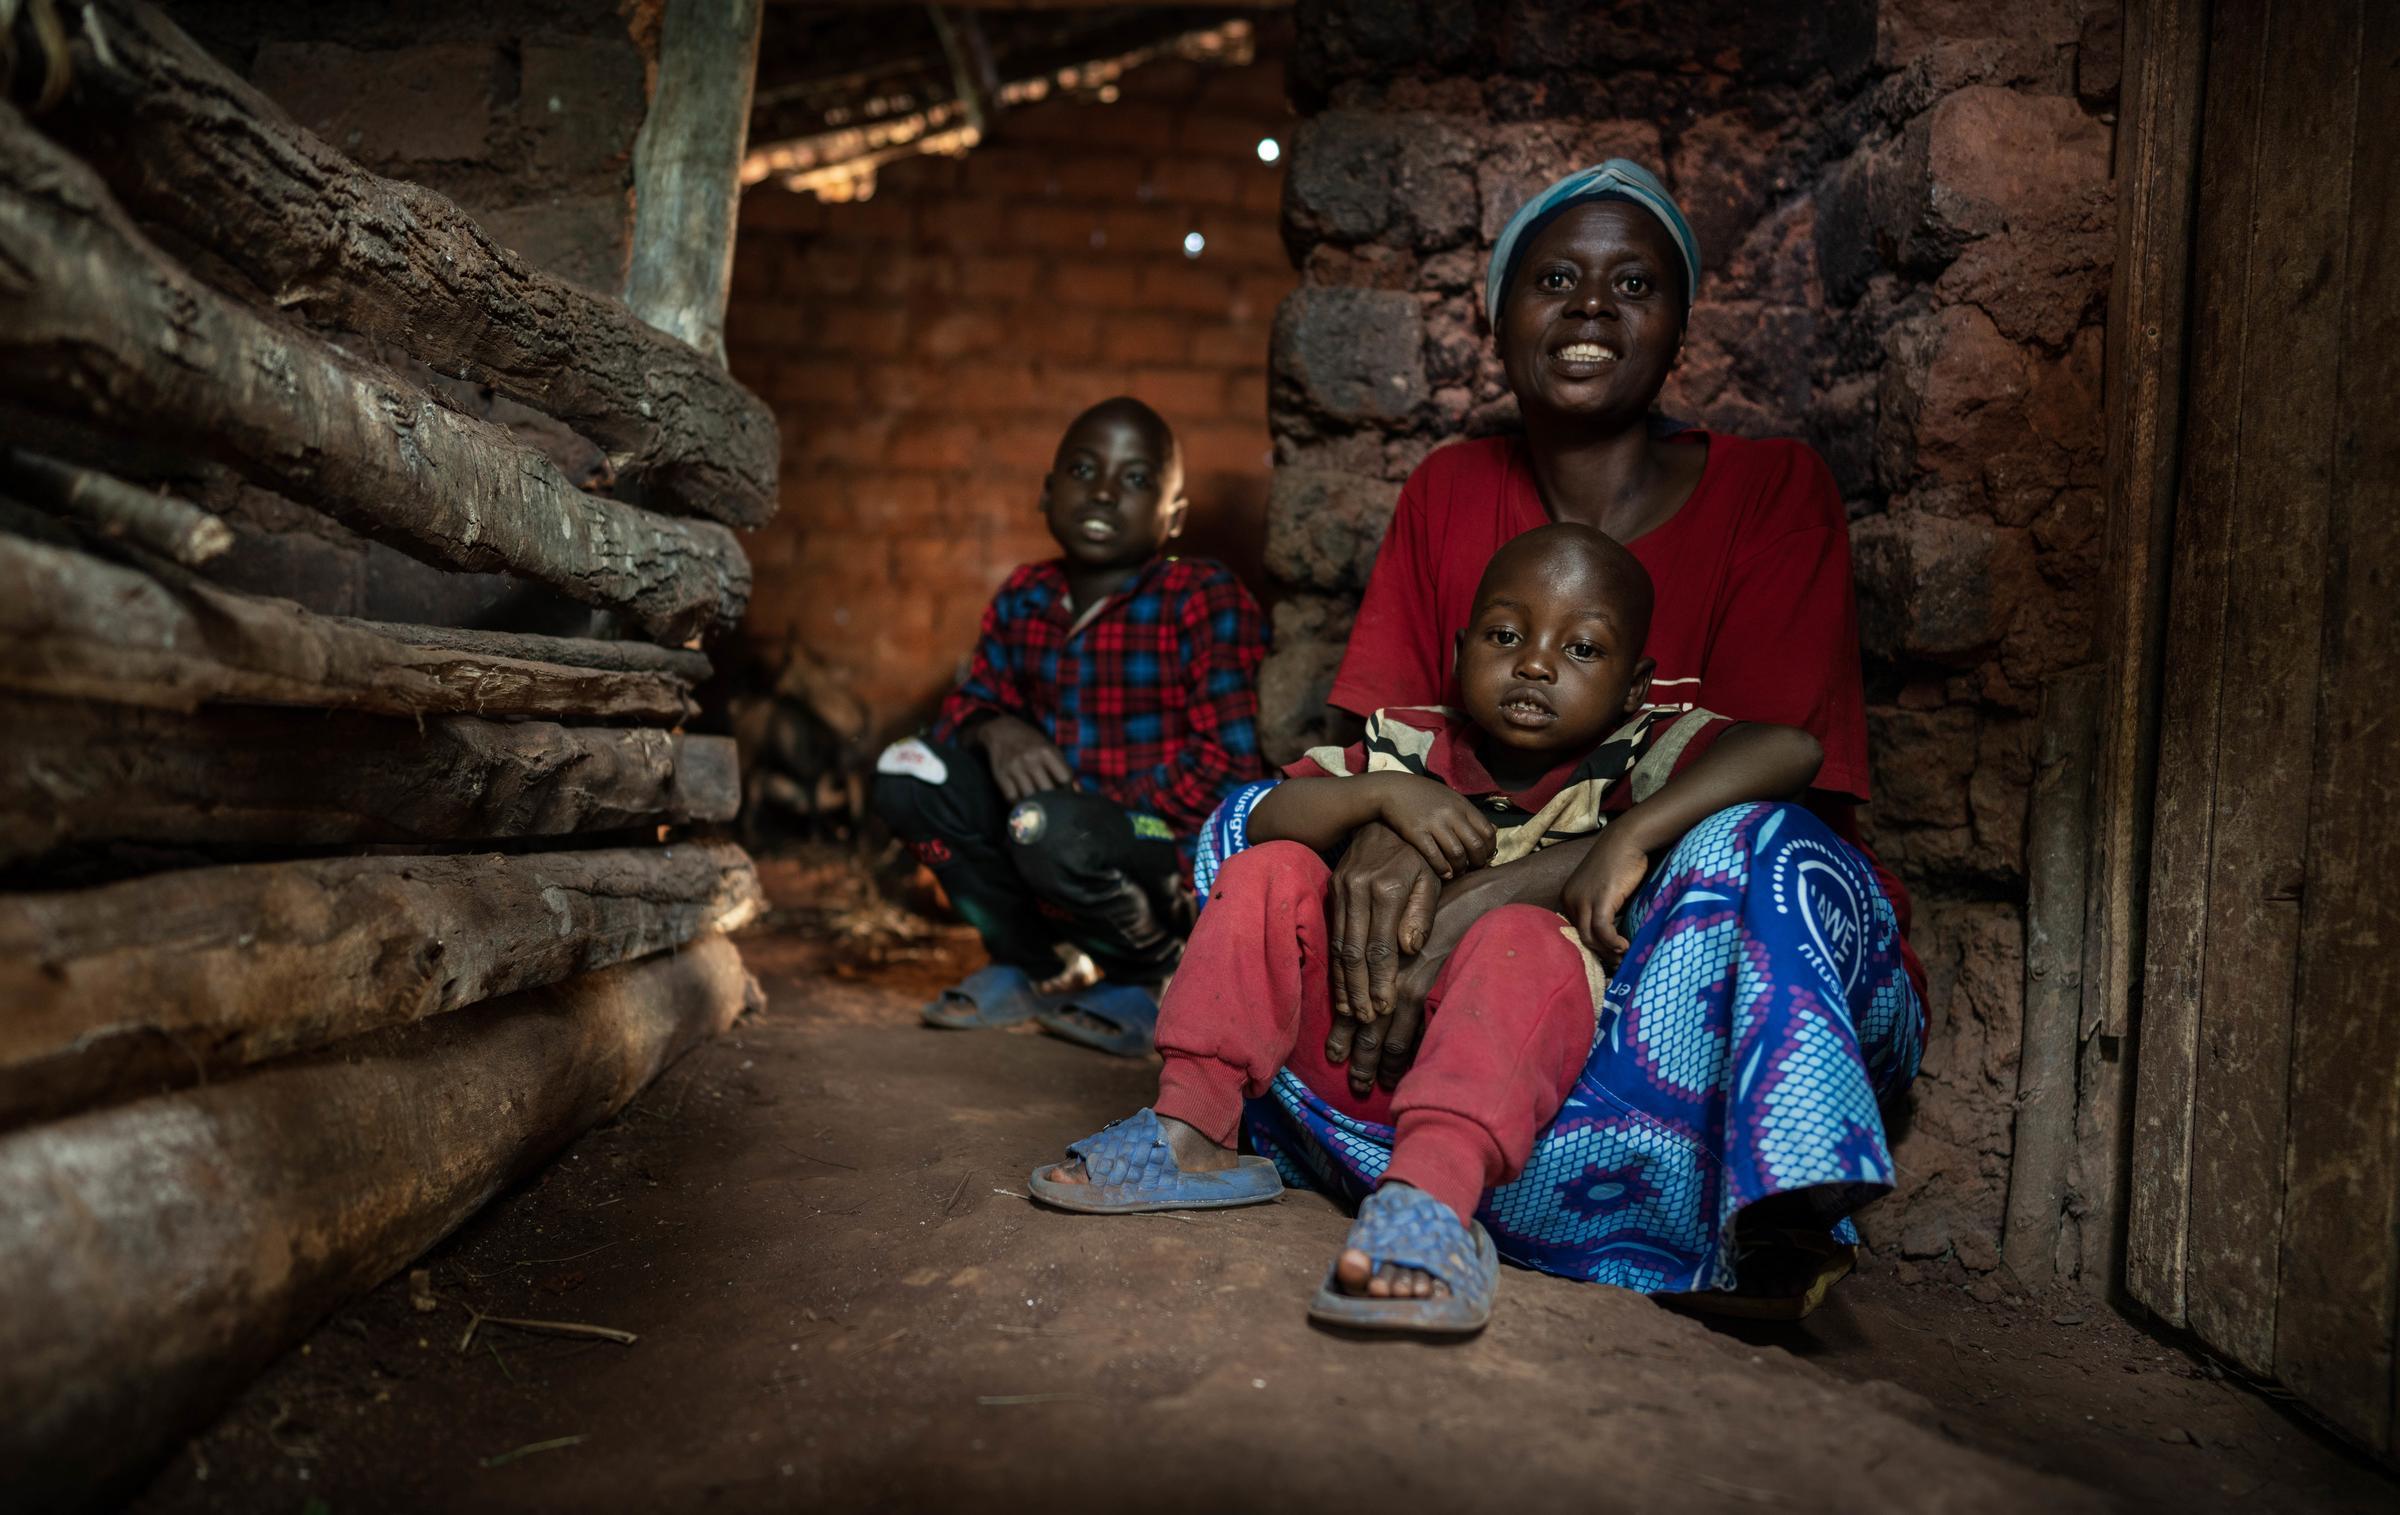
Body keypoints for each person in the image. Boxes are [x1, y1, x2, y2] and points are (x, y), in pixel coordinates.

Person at [1048, 161, 1923, 1323]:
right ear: (1500, 313)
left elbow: (1784, 771)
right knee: (1248, 841)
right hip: (1441, 967)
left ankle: (1743, 1217)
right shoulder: (1455, 492)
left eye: (1633, 284)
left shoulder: (1771, 496)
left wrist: (1523, 884)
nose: (1592, 308)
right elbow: (1373, 773)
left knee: (1752, 850)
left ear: (1679, 326)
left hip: (1668, 962)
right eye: (1555, 278)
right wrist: (1390, 826)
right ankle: (1205, 1126)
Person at [1029, 524, 1831, 1333]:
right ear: (1461, 648)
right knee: (1268, 869)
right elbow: (1265, 811)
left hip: (1509, 1074)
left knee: (1518, 936)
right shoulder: (1411, 740)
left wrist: (1630, 834)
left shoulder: (1641, 750)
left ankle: (1431, 1200)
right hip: (1353, 1033)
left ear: (1634, 686)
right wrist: (1378, 794)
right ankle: (1190, 1125)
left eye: (1583, 649)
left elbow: (1789, 748)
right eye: (1506, 635)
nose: (1536, 664)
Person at [872, 397, 1267, 1055]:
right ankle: (1033, 960)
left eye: (1137, 480)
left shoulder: (1200, 597)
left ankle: (1150, 971)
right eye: (1084, 470)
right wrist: (995, 730)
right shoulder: (1025, 595)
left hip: (1153, 844)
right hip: (1045, 835)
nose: (1105, 491)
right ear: (1048, 493)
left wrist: (1093, 813)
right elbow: (966, 706)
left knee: (1052, 826)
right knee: (906, 773)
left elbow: (1231, 763)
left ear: (1174, 518)